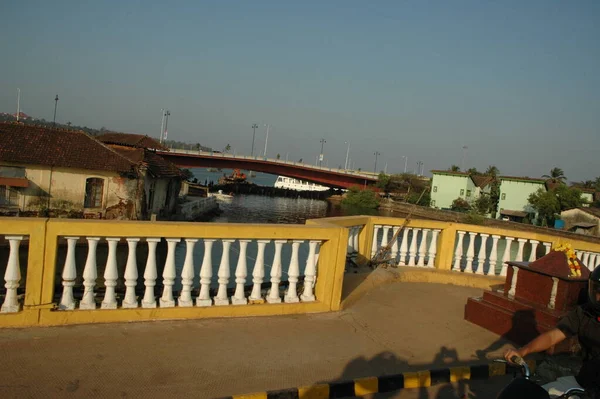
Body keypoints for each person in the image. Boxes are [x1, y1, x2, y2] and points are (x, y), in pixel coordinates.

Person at [504, 265, 600, 398]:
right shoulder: (584, 312)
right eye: (596, 291)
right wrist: (523, 351)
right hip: (582, 382)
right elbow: (554, 335)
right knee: (532, 394)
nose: (598, 297)